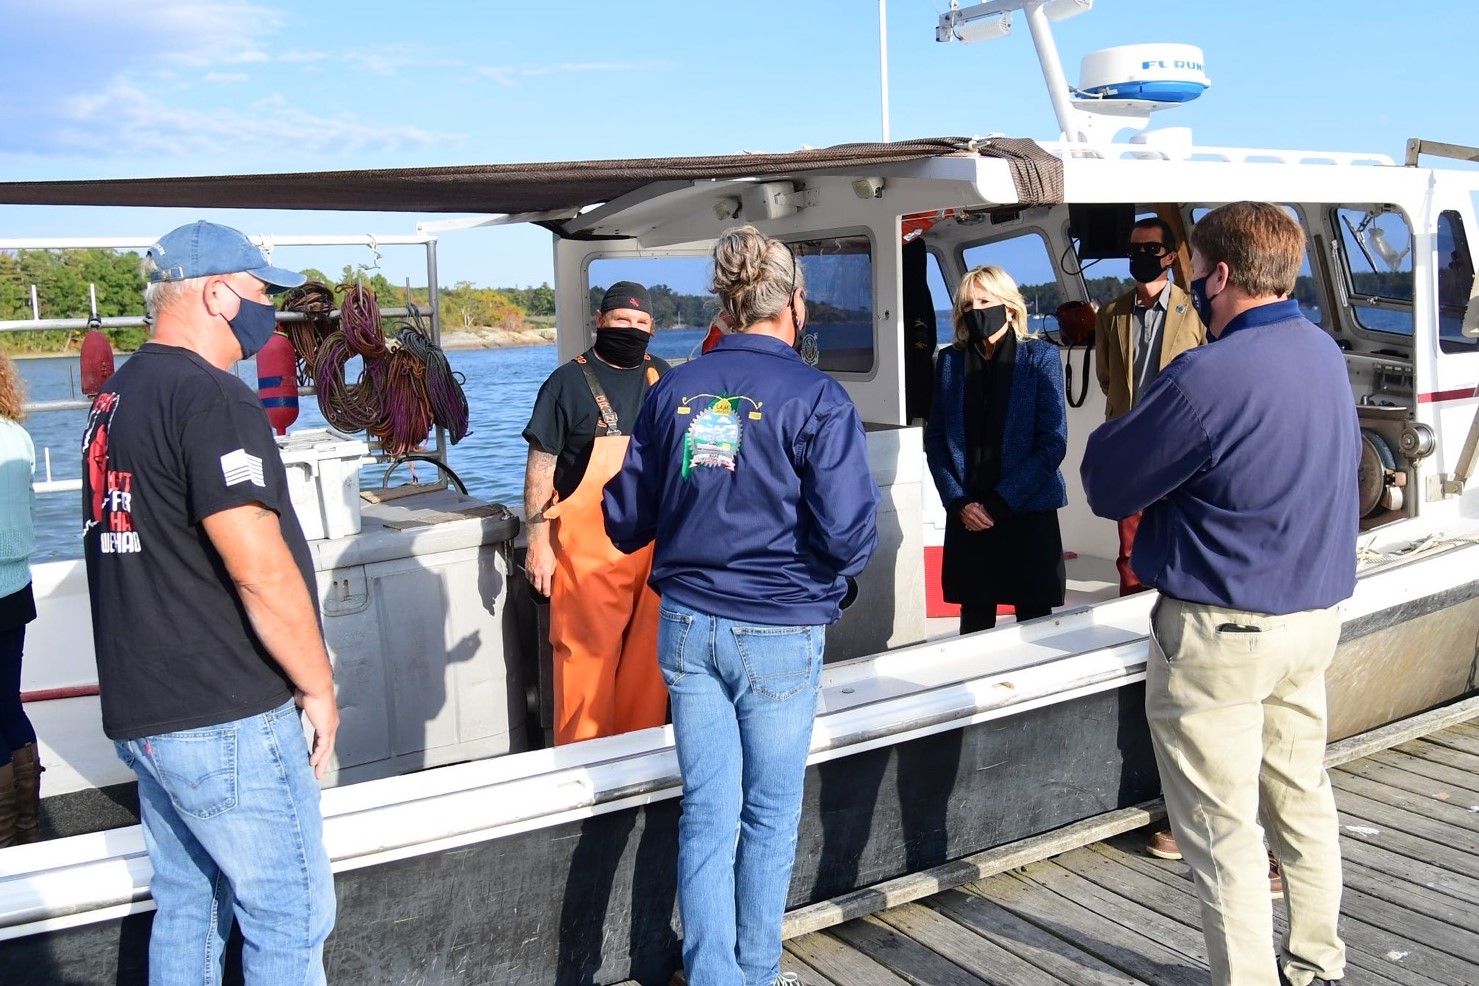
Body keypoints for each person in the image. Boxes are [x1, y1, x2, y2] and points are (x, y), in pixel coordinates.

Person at [1081, 201, 1358, 986]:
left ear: (1222, 274)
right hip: (1312, 622)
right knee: (1301, 799)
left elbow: (1106, 483)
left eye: (1196, 272)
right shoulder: (1320, 353)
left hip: (1222, 633)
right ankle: (1316, 965)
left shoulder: (1205, 375)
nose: (1191, 285)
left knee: (1219, 826)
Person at [604, 225, 879, 986]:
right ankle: (754, 973)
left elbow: (625, 520)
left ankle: (713, 976)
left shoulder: (673, 393)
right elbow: (850, 533)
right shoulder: (817, 396)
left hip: (688, 626)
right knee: (766, 815)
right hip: (779, 625)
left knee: (707, 813)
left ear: (724, 306)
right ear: (794, 303)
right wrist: (829, 582)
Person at [82, 221, 337, 984]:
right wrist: (317, 684)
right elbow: (257, 565)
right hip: (222, 711)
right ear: (217, 293)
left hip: (145, 710)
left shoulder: (118, 394)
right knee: (288, 913)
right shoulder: (212, 399)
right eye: (262, 292)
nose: (270, 312)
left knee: (190, 907)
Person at [522, 280, 671, 744]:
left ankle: (640, 766)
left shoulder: (662, 375)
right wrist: (537, 540)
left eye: (641, 322)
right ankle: (581, 770)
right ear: (599, 321)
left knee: (650, 667)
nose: (631, 329)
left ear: (653, 327)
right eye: (622, 320)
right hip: (587, 553)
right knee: (586, 664)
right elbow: (539, 468)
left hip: (654, 547)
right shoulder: (567, 382)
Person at [923, 265, 1067, 634]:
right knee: (974, 625)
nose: (976, 311)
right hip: (969, 515)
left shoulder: (1040, 358)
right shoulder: (950, 363)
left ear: (1009, 306)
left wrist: (1001, 502)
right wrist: (958, 503)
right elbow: (936, 440)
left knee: (1035, 625)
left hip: (1025, 510)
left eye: (985, 301)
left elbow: (1052, 442)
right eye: (968, 304)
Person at [1094, 217, 1206, 596]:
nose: (1141, 255)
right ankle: (1130, 608)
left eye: (1151, 249)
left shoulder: (1194, 311)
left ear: (1170, 257)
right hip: (1129, 438)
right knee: (1129, 542)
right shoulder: (1111, 314)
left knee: (1180, 530)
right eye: (1134, 249)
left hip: (1179, 440)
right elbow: (1107, 377)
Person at [0, 354, 39, 847]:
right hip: (16, 585)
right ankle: (26, 828)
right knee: (7, 703)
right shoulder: (18, 435)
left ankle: (5, 839)